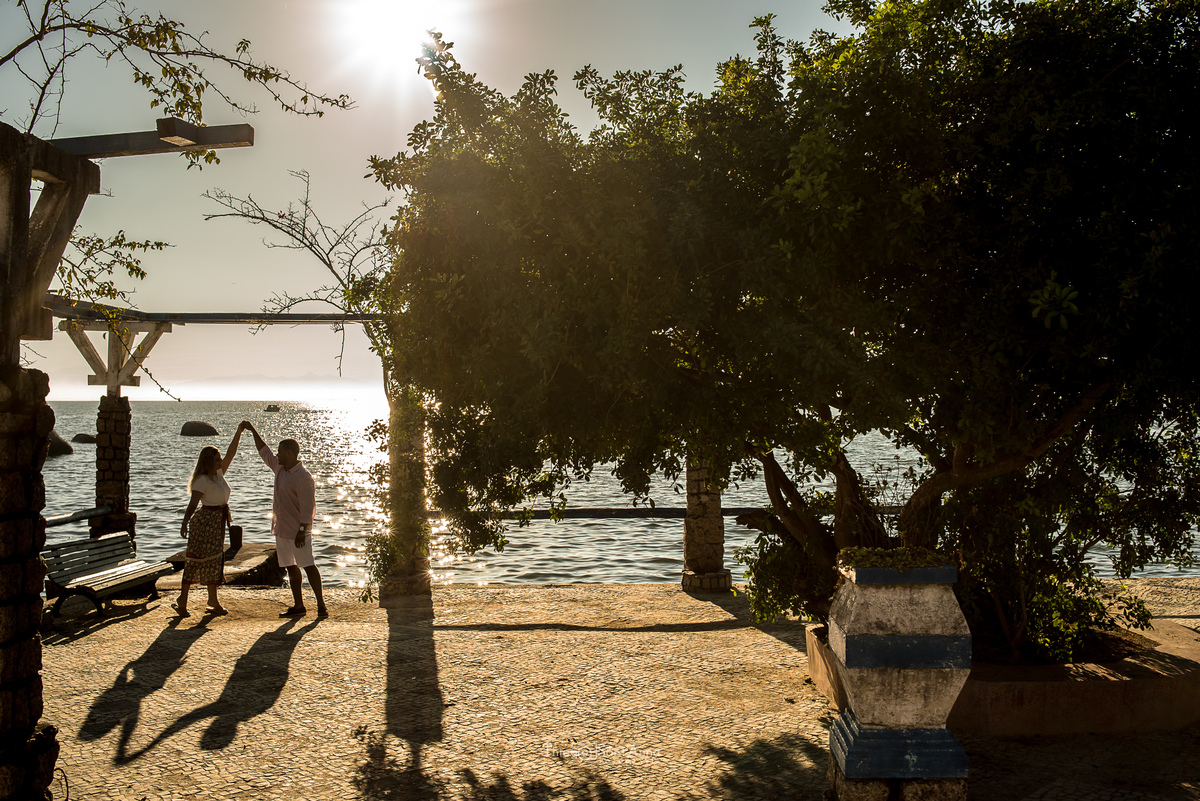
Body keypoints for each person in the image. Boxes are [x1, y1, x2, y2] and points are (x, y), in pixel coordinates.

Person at [242, 420, 328, 617]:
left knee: (308, 565)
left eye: (280, 451)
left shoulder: (303, 478)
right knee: (290, 566)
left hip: (298, 531)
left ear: (290, 453)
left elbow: (308, 509)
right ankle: (299, 606)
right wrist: (252, 429)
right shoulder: (279, 469)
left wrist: (302, 532)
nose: (277, 454)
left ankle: (321, 604)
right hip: (281, 529)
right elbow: (264, 452)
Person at [176, 423, 245, 616]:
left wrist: (238, 432)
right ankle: (183, 601)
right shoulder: (202, 480)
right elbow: (192, 505)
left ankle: (212, 601)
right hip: (205, 522)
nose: (220, 461)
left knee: (215, 560)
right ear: (208, 461)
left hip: (218, 522)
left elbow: (231, 453)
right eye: (216, 459)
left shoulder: (218, 474)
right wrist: (184, 523)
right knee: (196, 560)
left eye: (220, 459)